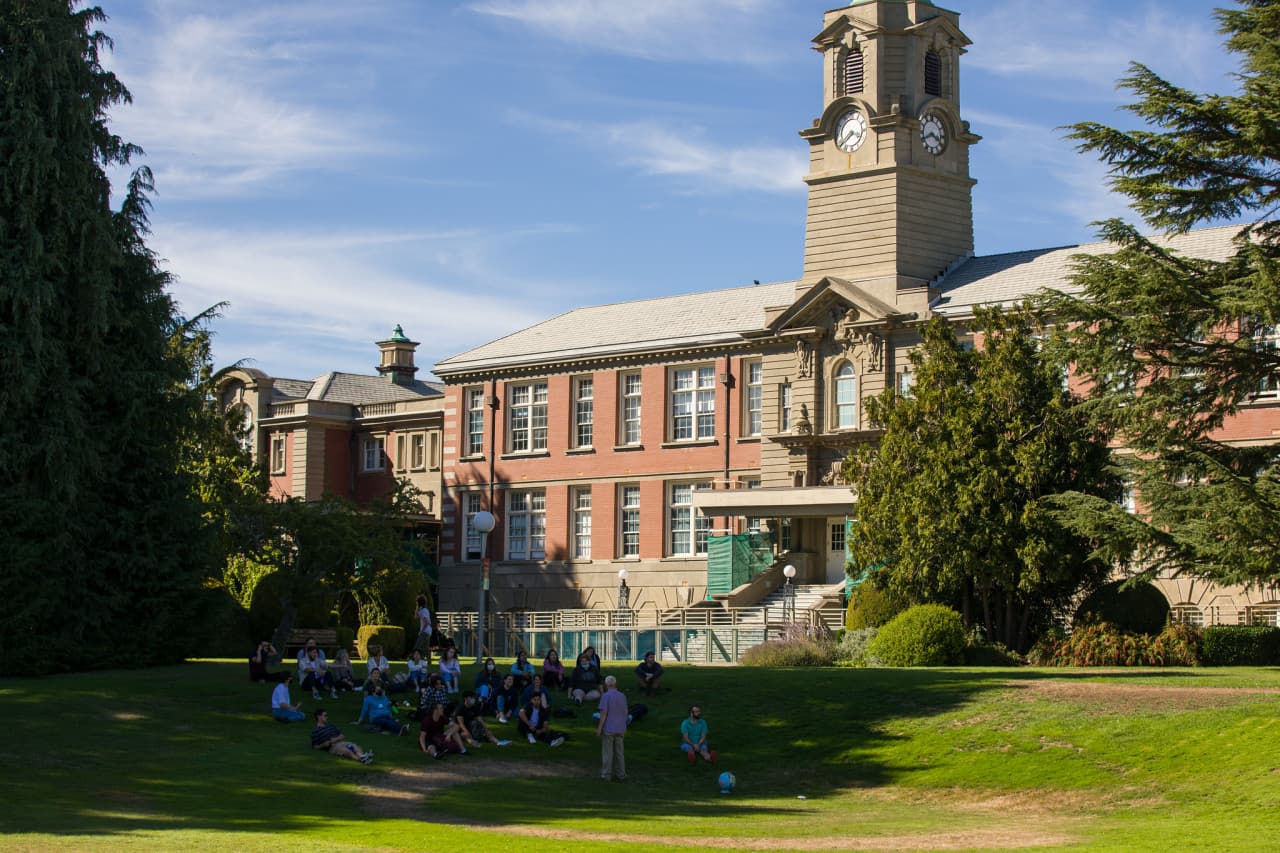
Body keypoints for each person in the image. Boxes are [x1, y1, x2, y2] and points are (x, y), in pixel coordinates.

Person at [596, 675, 628, 781]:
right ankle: (621, 774)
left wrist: (599, 728)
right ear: (615, 684)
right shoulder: (622, 696)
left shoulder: (605, 696)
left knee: (607, 752)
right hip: (620, 727)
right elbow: (625, 712)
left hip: (609, 728)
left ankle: (606, 774)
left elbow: (603, 713)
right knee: (619, 753)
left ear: (606, 685)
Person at [413, 593, 434, 660]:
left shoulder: (424, 611)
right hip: (428, 631)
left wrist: (421, 631)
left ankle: (414, 658)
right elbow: (415, 616)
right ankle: (428, 660)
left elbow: (426, 622)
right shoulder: (422, 610)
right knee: (425, 647)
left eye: (417, 602)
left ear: (419, 602)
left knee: (418, 645)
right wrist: (416, 607)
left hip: (425, 631)